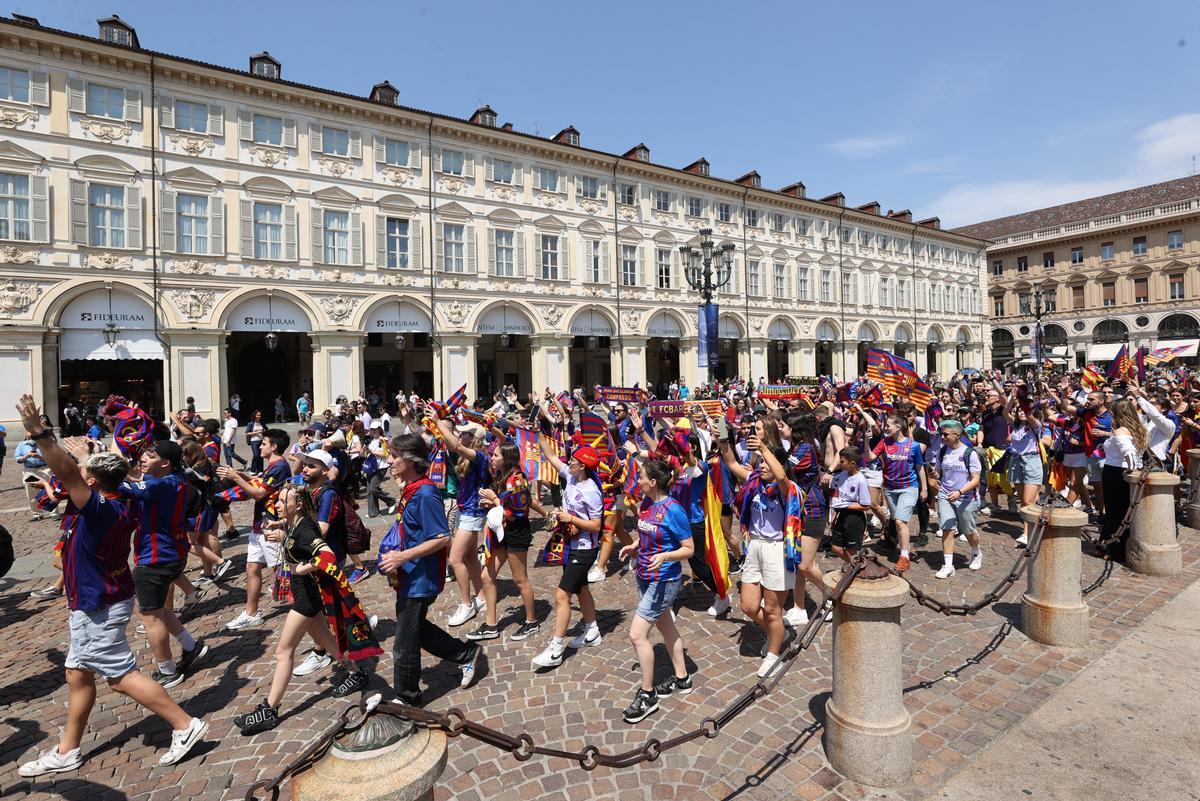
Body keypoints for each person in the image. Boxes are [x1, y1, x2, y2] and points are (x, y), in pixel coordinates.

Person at [13, 395, 209, 776]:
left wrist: (40, 433)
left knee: (119, 677)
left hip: (96, 603)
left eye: (84, 475)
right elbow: (80, 475)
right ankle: (68, 749)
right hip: (100, 597)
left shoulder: (102, 509)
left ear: (91, 483)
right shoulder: (115, 498)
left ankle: (185, 724)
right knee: (77, 673)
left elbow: (69, 474)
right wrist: (91, 455)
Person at [234, 483, 379, 734]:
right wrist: (282, 533)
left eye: (281, 501)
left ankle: (270, 709)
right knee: (329, 643)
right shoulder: (297, 523)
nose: (276, 505)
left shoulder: (305, 528)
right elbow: (296, 539)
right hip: (304, 595)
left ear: (298, 505)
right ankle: (356, 672)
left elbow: (327, 555)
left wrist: (304, 567)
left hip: (307, 601)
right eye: (277, 501)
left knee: (283, 651)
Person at [378, 434, 482, 703]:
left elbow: (441, 539)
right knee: (415, 629)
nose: (389, 461)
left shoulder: (425, 493)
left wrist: (402, 557)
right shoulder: (411, 488)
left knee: (404, 644)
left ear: (410, 460)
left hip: (420, 579)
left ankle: (408, 698)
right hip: (410, 575)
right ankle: (465, 654)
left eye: (394, 456)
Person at [120, 441, 210, 689]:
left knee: (150, 617)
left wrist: (98, 468)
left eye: (150, 456)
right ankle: (191, 646)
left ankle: (167, 671)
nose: (143, 459)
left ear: (165, 463)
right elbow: (137, 481)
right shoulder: (175, 479)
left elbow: (129, 488)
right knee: (158, 608)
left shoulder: (161, 485)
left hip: (156, 559)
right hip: (171, 554)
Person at [618, 458, 694, 724]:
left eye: (640, 477)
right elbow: (650, 533)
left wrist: (666, 557)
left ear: (653, 482)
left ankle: (648, 695)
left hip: (664, 580)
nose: (637, 481)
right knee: (666, 627)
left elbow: (689, 548)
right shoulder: (648, 504)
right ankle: (682, 678)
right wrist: (635, 546)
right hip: (645, 576)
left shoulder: (674, 509)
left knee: (637, 635)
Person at [719, 417, 795, 678]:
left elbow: (782, 476)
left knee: (774, 610)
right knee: (749, 606)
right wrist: (719, 433)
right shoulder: (753, 480)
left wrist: (763, 448)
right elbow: (730, 462)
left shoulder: (789, 489)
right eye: (761, 462)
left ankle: (775, 654)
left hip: (777, 549)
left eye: (766, 463)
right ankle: (779, 632)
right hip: (755, 548)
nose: (761, 466)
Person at [531, 438, 605, 669]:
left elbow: (596, 525)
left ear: (583, 465)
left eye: (573, 460)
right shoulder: (571, 476)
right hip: (571, 544)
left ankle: (555, 649)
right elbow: (552, 458)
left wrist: (570, 518)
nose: (568, 462)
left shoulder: (592, 491)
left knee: (562, 596)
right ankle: (592, 630)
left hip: (585, 549)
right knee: (581, 588)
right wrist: (538, 436)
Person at [220, 429, 294, 631]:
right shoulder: (272, 465)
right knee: (252, 568)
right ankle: (251, 613)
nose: (260, 446)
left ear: (274, 447)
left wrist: (236, 478)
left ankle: (308, 611)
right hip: (258, 525)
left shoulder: (279, 466)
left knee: (282, 572)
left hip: (271, 524)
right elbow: (262, 482)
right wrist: (242, 475)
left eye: (263, 443)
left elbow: (259, 493)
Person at [472, 441, 545, 641]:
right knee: (487, 576)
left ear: (507, 458)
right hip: (501, 531)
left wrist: (495, 500)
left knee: (520, 579)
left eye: (495, 455)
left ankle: (531, 622)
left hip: (515, 531)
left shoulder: (517, 479)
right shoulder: (503, 477)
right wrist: (493, 502)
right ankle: (491, 624)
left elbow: (515, 514)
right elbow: (513, 504)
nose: (492, 458)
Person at [434, 419, 490, 627]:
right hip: (465, 510)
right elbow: (453, 445)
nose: (460, 435)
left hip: (472, 513)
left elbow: (455, 445)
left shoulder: (479, 456)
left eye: (464, 433)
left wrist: (437, 423)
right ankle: (482, 598)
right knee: (469, 557)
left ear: (473, 438)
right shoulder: (468, 456)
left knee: (455, 560)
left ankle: (467, 604)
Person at [929, 420, 983, 578]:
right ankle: (948, 565)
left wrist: (960, 492)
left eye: (945, 434)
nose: (942, 437)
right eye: (941, 434)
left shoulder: (969, 454)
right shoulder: (942, 451)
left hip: (966, 498)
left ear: (957, 435)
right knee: (947, 528)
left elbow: (975, 480)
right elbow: (939, 472)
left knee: (968, 530)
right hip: (946, 495)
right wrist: (935, 475)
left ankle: (976, 552)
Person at [1098, 398, 1148, 562]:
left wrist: (1130, 469)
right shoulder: (1139, 428)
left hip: (1115, 472)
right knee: (1123, 511)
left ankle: (1113, 550)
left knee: (1115, 512)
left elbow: (1128, 453)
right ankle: (1108, 545)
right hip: (1126, 472)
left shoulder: (1121, 432)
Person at [1003, 391, 1044, 548]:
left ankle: (1027, 534)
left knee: (1028, 500)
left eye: (1023, 410)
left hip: (1032, 462)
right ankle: (1036, 527)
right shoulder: (1014, 426)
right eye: (1018, 410)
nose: (1021, 412)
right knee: (1026, 501)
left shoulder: (1035, 425)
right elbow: (1005, 412)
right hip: (1016, 461)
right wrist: (1011, 400)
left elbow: (1031, 418)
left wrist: (1026, 406)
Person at [829, 446, 870, 563]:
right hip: (841, 515)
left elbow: (866, 506)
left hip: (854, 518)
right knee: (836, 547)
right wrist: (835, 515)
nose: (840, 463)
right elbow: (839, 496)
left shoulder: (860, 480)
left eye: (842, 461)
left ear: (852, 463)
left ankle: (855, 570)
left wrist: (846, 506)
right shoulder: (843, 475)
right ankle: (856, 567)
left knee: (852, 551)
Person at [17, 431, 51, 520]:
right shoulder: (22, 445)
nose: (30, 433)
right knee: (30, 488)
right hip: (30, 470)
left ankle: (54, 512)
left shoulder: (43, 443)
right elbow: (18, 459)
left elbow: (52, 458)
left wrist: (40, 457)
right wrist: (25, 457)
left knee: (50, 488)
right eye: (28, 431)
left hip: (44, 468)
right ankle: (37, 514)